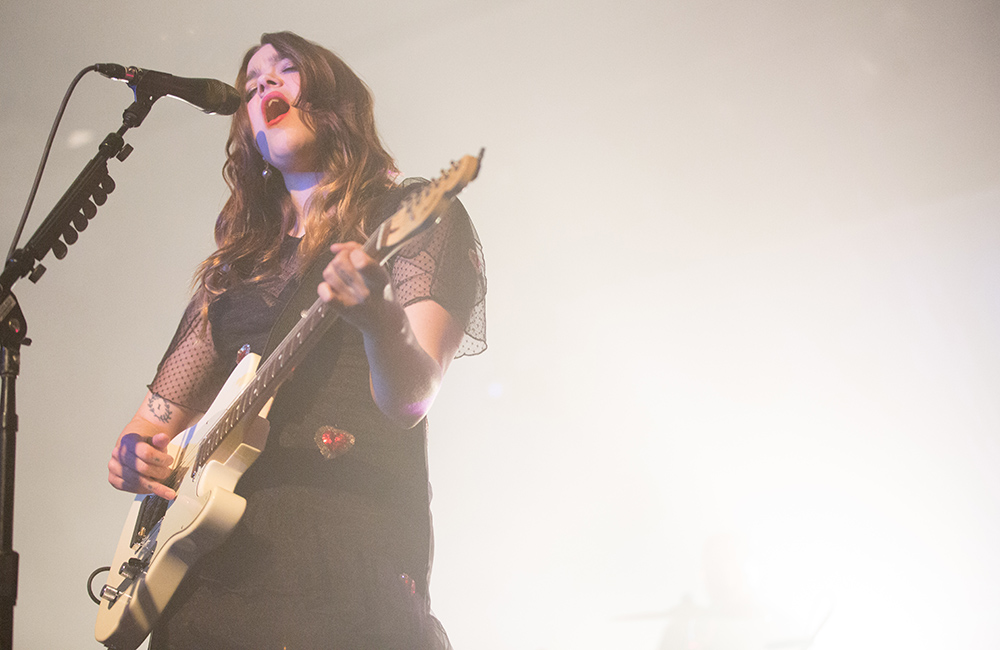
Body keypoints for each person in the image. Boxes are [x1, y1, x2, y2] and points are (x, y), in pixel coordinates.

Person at [105, 31, 486, 650]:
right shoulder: (234, 271)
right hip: (207, 587)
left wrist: (379, 316)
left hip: (338, 559)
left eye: (284, 71)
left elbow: (412, 399)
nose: (263, 86)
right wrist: (133, 455)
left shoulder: (409, 214)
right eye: (252, 85)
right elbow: (147, 427)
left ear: (336, 101)